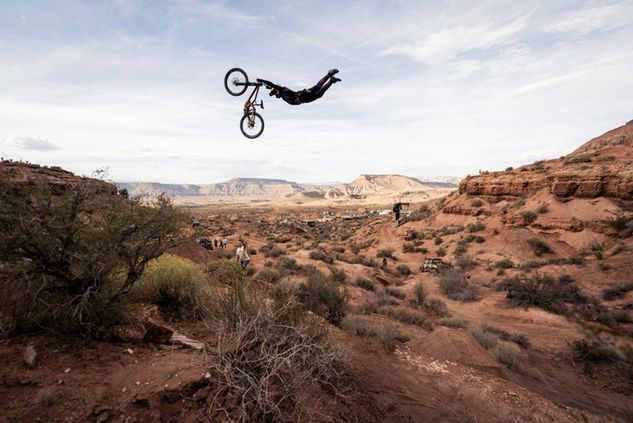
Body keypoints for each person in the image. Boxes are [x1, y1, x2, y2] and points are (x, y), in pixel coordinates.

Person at [257, 69, 341, 106]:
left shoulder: (281, 89)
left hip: (301, 95)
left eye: (274, 92)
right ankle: (331, 81)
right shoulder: (282, 95)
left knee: (317, 88)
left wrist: (262, 80)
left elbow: (271, 84)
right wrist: (269, 89)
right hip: (303, 100)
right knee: (319, 95)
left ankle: (329, 74)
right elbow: (271, 89)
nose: (275, 94)